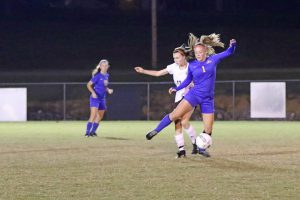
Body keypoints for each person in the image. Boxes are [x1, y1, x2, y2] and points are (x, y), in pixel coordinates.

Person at [146, 33, 237, 157]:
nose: (199, 55)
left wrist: (233, 45)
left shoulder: (213, 59)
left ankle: (201, 148)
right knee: (176, 115)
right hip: (194, 95)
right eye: (197, 53)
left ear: (205, 51)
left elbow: (229, 52)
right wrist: (176, 88)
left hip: (208, 99)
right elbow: (188, 80)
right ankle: (155, 131)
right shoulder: (192, 65)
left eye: (200, 52)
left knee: (208, 130)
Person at [135, 45, 197, 158]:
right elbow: (158, 73)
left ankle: (157, 130)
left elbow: (197, 81)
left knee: (181, 121)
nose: (175, 60)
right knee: (179, 123)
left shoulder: (191, 67)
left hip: (190, 98)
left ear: (184, 57)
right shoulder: (173, 67)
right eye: (174, 58)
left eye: (177, 57)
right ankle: (184, 149)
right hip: (178, 98)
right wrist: (143, 71)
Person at [85, 59, 113, 137]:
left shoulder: (107, 75)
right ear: (100, 66)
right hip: (95, 98)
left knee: (100, 116)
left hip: (102, 98)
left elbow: (105, 86)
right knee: (93, 115)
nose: (104, 67)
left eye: (106, 65)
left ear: (108, 67)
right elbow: (88, 85)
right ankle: (87, 133)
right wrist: (93, 93)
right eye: (103, 65)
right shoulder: (97, 76)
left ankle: (92, 132)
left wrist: (108, 90)